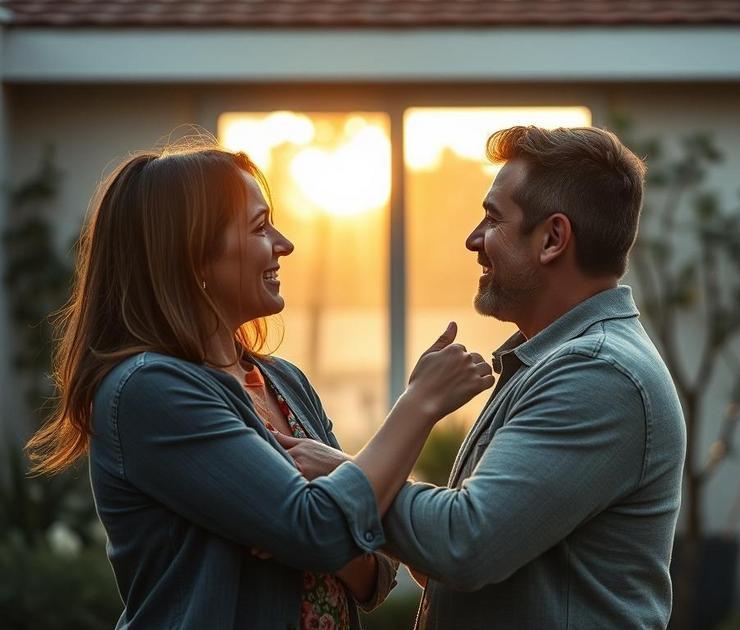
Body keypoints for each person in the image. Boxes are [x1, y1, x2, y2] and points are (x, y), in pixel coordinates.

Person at [25, 145, 494, 629]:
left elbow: (375, 574)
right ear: (194, 256)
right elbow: (326, 532)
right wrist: (418, 404)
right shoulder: (150, 390)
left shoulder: (284, 381)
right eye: (258, 226)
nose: (284, 243)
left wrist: (310, 521)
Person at [280, 125, 687, 629]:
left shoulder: (599, 374)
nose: (473, 239)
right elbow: (452, 565)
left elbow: (463, 545)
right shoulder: (547, 362)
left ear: (553, 238)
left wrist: (349, 478)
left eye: (492, 220)